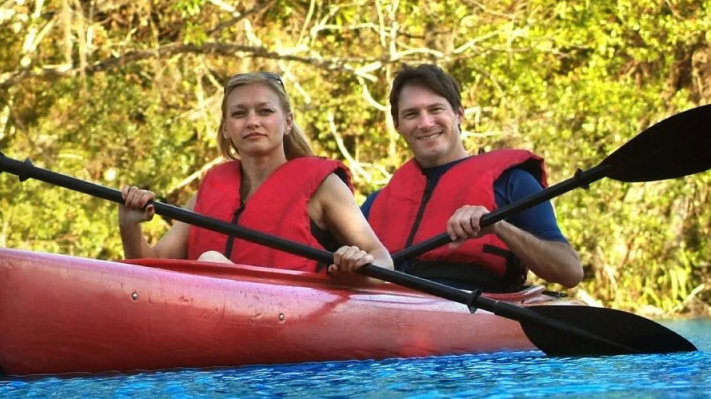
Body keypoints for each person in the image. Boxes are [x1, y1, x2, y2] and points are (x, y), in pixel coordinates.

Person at [119, 71, 393, 277]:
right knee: (210, 260)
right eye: (239, 114)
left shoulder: (324, 186)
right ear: (226, 128)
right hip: (208, 316)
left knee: (211, 260)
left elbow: (383, 260)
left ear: (287, 122)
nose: (252, 122)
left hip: (292, 317)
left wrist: (357, 265)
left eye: (265, 111)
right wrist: (129, 226)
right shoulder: (209, 190)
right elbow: (150, 268)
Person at [362, 64, 583, 291]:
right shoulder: (374, 204)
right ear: (397, 125)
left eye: (436, 109)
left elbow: (570, 272)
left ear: (459, 114)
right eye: (411, 114)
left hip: (476, 306)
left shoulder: (512, 182)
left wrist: (499, 227)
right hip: (385, 308)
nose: (426, 123)